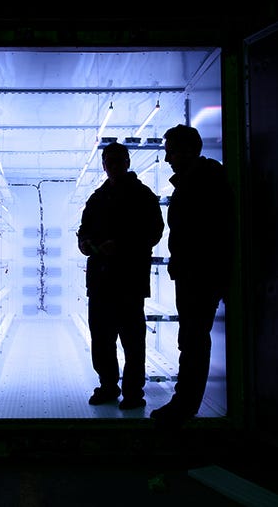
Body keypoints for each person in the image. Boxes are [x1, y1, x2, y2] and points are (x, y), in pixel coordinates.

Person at [149, 124, 234, 427]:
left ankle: (184, 404)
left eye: (170, 150)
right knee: (193, 338)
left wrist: (197, 266)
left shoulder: (204, 180)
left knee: (194, 339)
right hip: (196, 271)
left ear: (186, 150)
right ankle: (185, 401)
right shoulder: (199, 178)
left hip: (201, 273)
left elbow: (210, 230)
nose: (167, 158)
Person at [77, 141, 165, 410]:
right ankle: (108, 386)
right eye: (109, 161)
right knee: (102, 339)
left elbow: (154, 232)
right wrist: (90, 246)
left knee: (132, 340)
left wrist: (120, 246)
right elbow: (84, 235)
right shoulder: (96, 199)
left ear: (127, 162)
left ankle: (133, 392)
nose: (113, 166)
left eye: (118, 160)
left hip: (129, 281)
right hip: (102, 282)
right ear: (104, 165)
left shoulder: (143, 196)